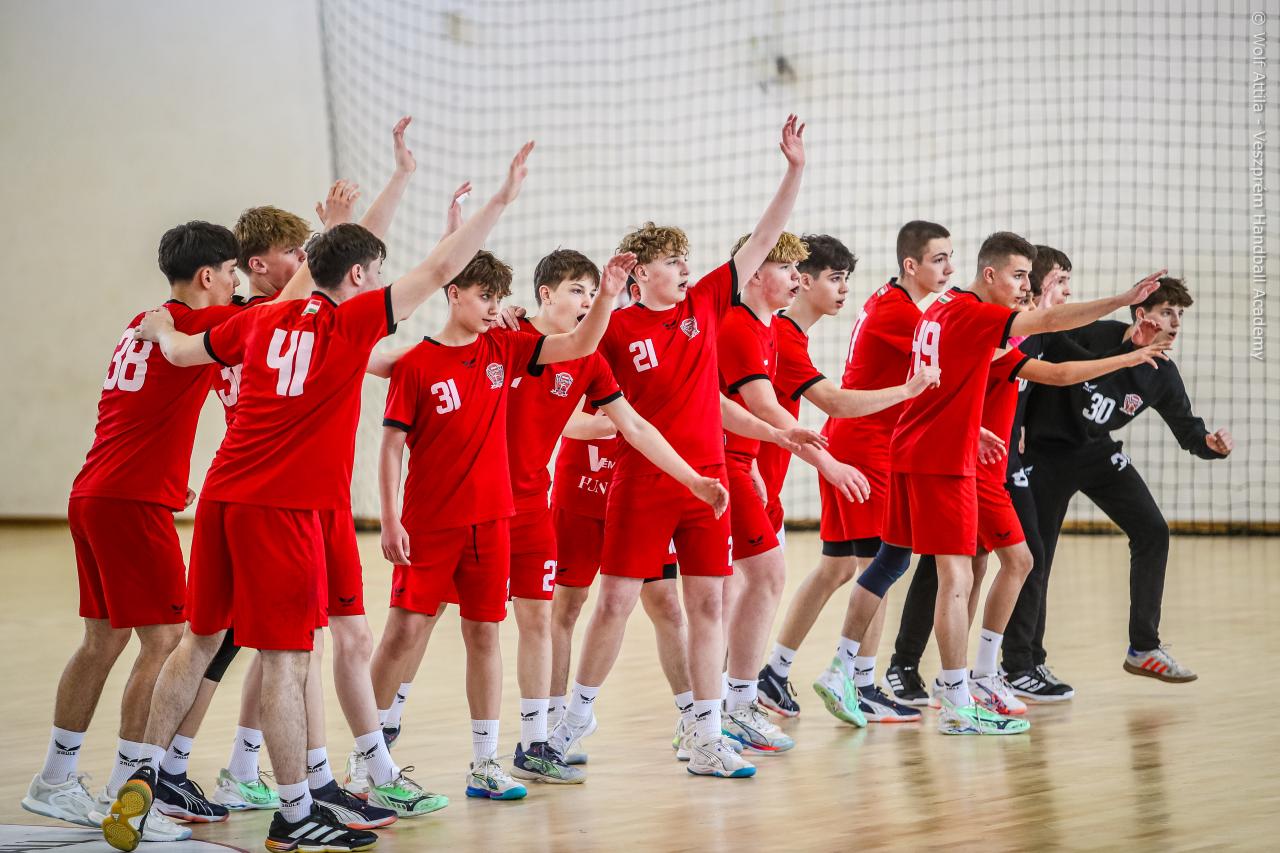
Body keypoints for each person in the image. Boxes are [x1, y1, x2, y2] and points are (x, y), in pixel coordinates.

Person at [100, 141, 536, 853]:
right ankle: (295, 809)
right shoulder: (350, 322)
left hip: (222, 498)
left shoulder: (257, 319)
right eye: (377, 272)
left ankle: (143, 774)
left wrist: (160, 325)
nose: (384, 281)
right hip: (284, 507)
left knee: (200, 640)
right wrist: (500, 200)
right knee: (287, 660)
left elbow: (180, 352)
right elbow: (439, 270)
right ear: (358, 277)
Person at [548, 116, 815, 779]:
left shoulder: (705, 304)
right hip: (642, 483)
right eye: (672, 260)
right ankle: (572, 718)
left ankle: (706, 733)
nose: (685, 268)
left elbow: (762, 239)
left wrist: (794, 170)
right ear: (640, 272)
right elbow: (576, 373)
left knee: (708, 605)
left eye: (685, 259)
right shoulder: (614, 329)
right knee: (615, 602)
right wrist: (602, 297)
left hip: (709, 481)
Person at [816, 229, 1165, 736]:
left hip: (913, 450)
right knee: (957, 578)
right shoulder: (976, 315)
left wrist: (970, 425)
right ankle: (958, 696)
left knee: (899, 561)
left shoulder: (940, 310)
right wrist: (1124, 302)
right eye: (1019, 276)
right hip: (943, 461)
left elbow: (1004, 369)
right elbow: (1049, 328)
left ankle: (847, 668)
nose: (1026, 286)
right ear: (990, 274)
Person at [22, 222, 243, 845]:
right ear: (207, 276)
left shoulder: (142, 323)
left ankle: (55, 778)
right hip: (129, 502)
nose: (236, 284)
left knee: (103, 640)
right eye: (232, 272)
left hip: (94, 491)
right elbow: (282, 315)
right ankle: (128, 796)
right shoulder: (199, 325)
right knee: (166, 641)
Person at [757, 224, 951, 722]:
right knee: (876, 568)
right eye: (835, 278)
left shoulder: (865, 308)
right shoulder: (893, 312)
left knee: (838, 567)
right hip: (861, 449)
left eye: (846, 278)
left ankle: (774, 673)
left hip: (845, 445)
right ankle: (858, 682)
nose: (844, 289)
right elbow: (839, 399)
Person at [1013, 275, 1232, 686]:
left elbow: (1188, 430)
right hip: (1047, 452)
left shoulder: (1162, 373)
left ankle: (1144, 647)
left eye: (1180, 314)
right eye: (1166, 312)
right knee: (1035, 559)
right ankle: (1022, 662)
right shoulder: (1094, 335)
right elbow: (1050, 366)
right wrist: (1017, 426)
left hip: (1097, 452)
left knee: (1153, 531)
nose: (1175, 322)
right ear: (1141, 314)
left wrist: (1210, 444)